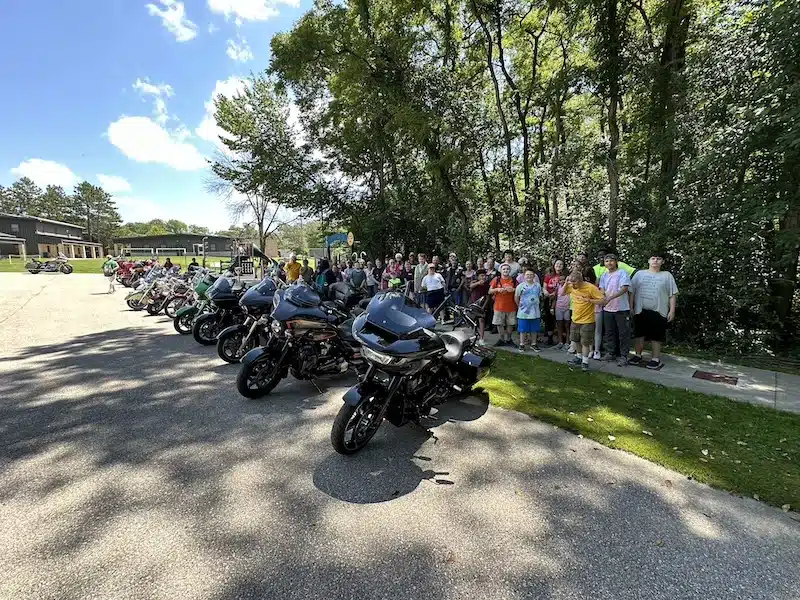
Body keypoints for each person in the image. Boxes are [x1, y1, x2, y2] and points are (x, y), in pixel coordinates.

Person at [629, 253, 678, 369]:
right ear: (649, 261)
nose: (655, 260)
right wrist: (631, 307)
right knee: (639, 334)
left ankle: (655, 358)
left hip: (659, 311)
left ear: (662, 262)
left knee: (657, 336)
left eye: (658, 259)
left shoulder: (667, 276)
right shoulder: (640, 274)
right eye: (653, 258)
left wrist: (672, 311)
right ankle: (637, 355)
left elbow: (672, 294)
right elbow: (631, 292)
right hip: (640, 310)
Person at [564, 270, 607, 371]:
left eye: (574, 282)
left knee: (585, 342)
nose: (572, 285)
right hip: (575, 319)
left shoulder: (590, 287)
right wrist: (566, 283)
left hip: (587, 320)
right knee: (576, 339)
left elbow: (604, 300)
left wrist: (590, 300)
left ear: (580, 280)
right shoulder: (571, 285)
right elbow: (562, 293)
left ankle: (585, 362)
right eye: (571, 282)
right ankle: (579, 357)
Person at [598, 253, 633, 366]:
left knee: (623, 333)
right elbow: (602, 288)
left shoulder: (622, 273)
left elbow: (624, 288)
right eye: (607, 261)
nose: (609, 263)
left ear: (616, 261)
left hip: (621, 308)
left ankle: (623, 356)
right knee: (609, 332)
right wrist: (602, 297)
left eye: (611, 261)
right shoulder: (604, 275)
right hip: (608, 308)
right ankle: (610, 353)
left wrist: (610, 297)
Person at [489, 264, 518, 347]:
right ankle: (501, 339)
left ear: (510, 271)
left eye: (507, 269)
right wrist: (497, 289)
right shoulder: (496, 279)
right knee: (499, 324)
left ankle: (508, 339)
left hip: (511, 306)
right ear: (500, 270)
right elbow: (489, 291)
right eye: (504, 269)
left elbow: (520, 290)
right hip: (499, 306)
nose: (505, 270)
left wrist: (513, 289)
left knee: (510, 324)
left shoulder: (514, 280)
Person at [515, 269, 542, 352]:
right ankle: (522, 344)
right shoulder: (520, 286)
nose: (529, 276)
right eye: (527, 274)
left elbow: (539, 296)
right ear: (524, 276)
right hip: (524, 311)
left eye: (531, 274)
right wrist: (519, 305)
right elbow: (516, 296)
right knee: (523, 329)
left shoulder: (537, 285)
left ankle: (533, 344)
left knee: (534, 329)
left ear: (534, 276)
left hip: (535, 311)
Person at [543, 259, 566, 345]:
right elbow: (544, 287)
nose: (559, 265)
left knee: (560, 318)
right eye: (557, 264)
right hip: (549, 298)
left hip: (561, 299)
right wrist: (546, 292)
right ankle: (550, 337)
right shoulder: (549, 275)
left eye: (561, 264)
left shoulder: (565, 276)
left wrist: (555, 293)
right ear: (554, 265)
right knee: (549, 318)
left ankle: (562, 338)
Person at [469, 269, 489, 342]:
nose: (483, 277)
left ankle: (481, 337)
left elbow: (487, 297)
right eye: (481, 276)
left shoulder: (486, 284)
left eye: (484, 275)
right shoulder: (474, 282)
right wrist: (478, 283)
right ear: (477, 277)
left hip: (482, 305)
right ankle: (474, 335)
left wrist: (483, 306)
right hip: (473, 304)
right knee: (472, 320)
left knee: (481, 320)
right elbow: (471, 286)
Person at [443, 253, 463, 318]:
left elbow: (463, 279)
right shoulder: (447, 269)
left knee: (458, 305)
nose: (453, 261)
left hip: (456, 289)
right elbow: (445, 278)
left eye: (454, 259)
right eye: (452, 260)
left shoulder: (460, 269)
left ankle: (459, 319)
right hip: (449, 290)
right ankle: (454, 319)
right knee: (452, 306)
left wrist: (459, 288)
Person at [554, 272, 571, 349]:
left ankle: (567, 342)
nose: (563, 281)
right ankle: (560, 342)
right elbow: (555, 298)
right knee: (559, 325)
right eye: (561, 280)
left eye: (564, 279)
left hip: (567, 308)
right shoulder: (558, 287)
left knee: (567, 325)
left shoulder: (570, 287)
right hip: (559, 308)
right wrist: (552, 307)